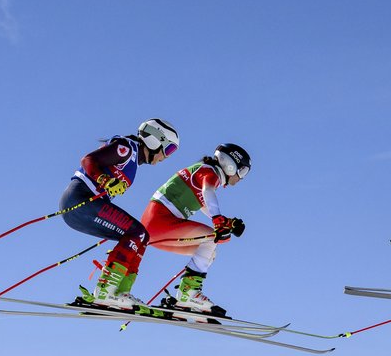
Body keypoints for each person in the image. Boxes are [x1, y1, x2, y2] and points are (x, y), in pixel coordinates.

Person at [61, 118, 180, 309]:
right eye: (168, 149)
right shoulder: (127, 148)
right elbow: (88, 160)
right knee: (137, 233)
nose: (166, 157)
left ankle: (120, 292)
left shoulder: (134, 160)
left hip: (86, 206)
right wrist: (105, 180)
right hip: (80, 199)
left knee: (141, 237)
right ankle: (106, 291)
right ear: (155, 140)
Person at [141, 143, 250, 315]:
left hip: (156, 226)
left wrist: (225, 221)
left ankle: (186, 295)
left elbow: (204, 202)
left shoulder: (203, 171)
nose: (241, 178)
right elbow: (208, 192)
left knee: (209, 252)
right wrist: (218, 220)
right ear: (230, 164)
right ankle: (188, 294)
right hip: (159, 222)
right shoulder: (210, 172)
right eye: (242, 171)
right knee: (211, 238)